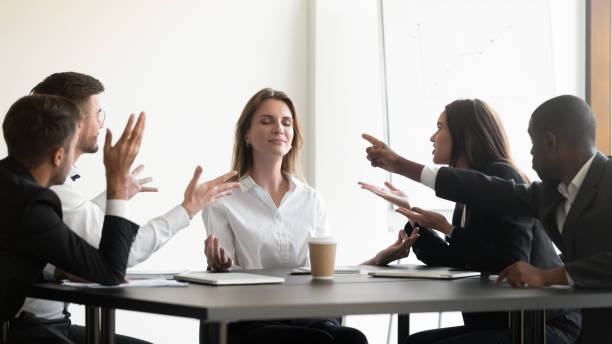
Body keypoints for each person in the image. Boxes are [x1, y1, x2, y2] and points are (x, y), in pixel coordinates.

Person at [8, 72, 240, 344]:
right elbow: (115, 264)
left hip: (45, 322)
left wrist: (54, 268)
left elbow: (70, 228)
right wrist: (186, 208)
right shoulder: (45, 195)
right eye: (98, 115)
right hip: (29, 330)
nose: (103, 124)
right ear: (73, 125)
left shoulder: (18, 183)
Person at [362, 94, 612, 342]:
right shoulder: (553, 192)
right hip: (564, 323)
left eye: (533, 142)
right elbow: (485, 191)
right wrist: (401, 169)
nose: (531, 151)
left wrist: (548, 276)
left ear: (550, 141)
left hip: (545, 322)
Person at [202, 88, 368, 344]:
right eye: (266, 121)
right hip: (250, 319)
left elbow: (321, 271)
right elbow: (224, 276)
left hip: (307, 314)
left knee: (352, 339)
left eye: (286, 123)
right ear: (247, 135)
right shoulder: (223, 200)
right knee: (316, 342)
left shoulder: (311, 200)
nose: (278, 129)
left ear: (292, 136)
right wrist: (219, 270)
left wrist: (375, 261)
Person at [0, 94, 142, 328]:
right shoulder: (32, 204)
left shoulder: (8, 184)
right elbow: (110, 272)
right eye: (72, 146)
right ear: (58, 156)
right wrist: (117, 186)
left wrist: (55, 271)